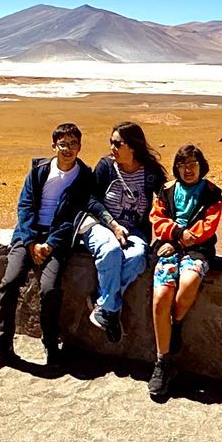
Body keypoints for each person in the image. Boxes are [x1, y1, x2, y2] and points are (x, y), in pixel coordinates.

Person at [0, 122, 92, 373]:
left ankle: (51, 344)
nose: (68, 149)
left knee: (50, 288)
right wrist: (32, 242)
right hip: (28, 235)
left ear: (79, 147)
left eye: (73, 144)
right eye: (63, 144)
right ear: (54, 146)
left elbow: (73, 216)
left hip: (58, 239)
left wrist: (50, 244)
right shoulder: (39, 171)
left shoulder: (84, 176)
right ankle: (2, 346)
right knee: (10, 282)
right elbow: (25, 206)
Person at [147, 143, 222, 399]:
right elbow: (157, 219)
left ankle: (175, 324)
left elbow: (207, 227)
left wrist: (180, 241)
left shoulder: (212, 192)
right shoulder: (166, 190)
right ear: (176, 168)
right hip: (168, 245)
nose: (188, 170)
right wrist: (177, 234)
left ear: (201, 166)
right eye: (182, 165)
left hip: (198, 249)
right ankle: (162, 362)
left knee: (190, 281)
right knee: (161, 296)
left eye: (192, 164)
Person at [80, 121, 167, 343]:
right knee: (111, 251)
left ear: (133, 146)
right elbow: (90, 199)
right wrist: (113, 225)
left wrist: (168, 236)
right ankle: (110, 309)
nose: (113, 148)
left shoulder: (150, 172)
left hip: (135, 230)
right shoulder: (106, 167)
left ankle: (104, 303)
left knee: (137, 258)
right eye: (111, 142)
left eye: (118, 144)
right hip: (101, 225)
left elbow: (167, 201)